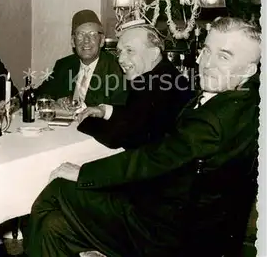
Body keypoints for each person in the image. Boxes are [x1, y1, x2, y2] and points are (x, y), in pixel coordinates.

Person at [24, 17, 261, 257]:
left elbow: (153, 156)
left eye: (224, 56)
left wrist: (83, 172)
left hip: (164, 230)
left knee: (58, 190)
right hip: (182, 213)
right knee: (52, 226)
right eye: (207, 51)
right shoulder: (244, 102)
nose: (207, 63)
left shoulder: (215, 118)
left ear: (249, 69)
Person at [76, 21, 194, 149]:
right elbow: (139, 116)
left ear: (153, 53)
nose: (120, 59)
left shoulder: (147, 82)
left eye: (130, 50)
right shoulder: (168, 74)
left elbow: (119, 137)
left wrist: (84, 122)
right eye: (119, 52)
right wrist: (105, 110)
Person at [35, 9, 127, 108]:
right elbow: (41, 94)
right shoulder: (63, 65)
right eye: (80, 35)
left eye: (92, 34)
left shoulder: (116, 67)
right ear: (73, 42)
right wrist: (54, 102)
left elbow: (120, 109)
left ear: (102, 41)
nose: (86, 40)